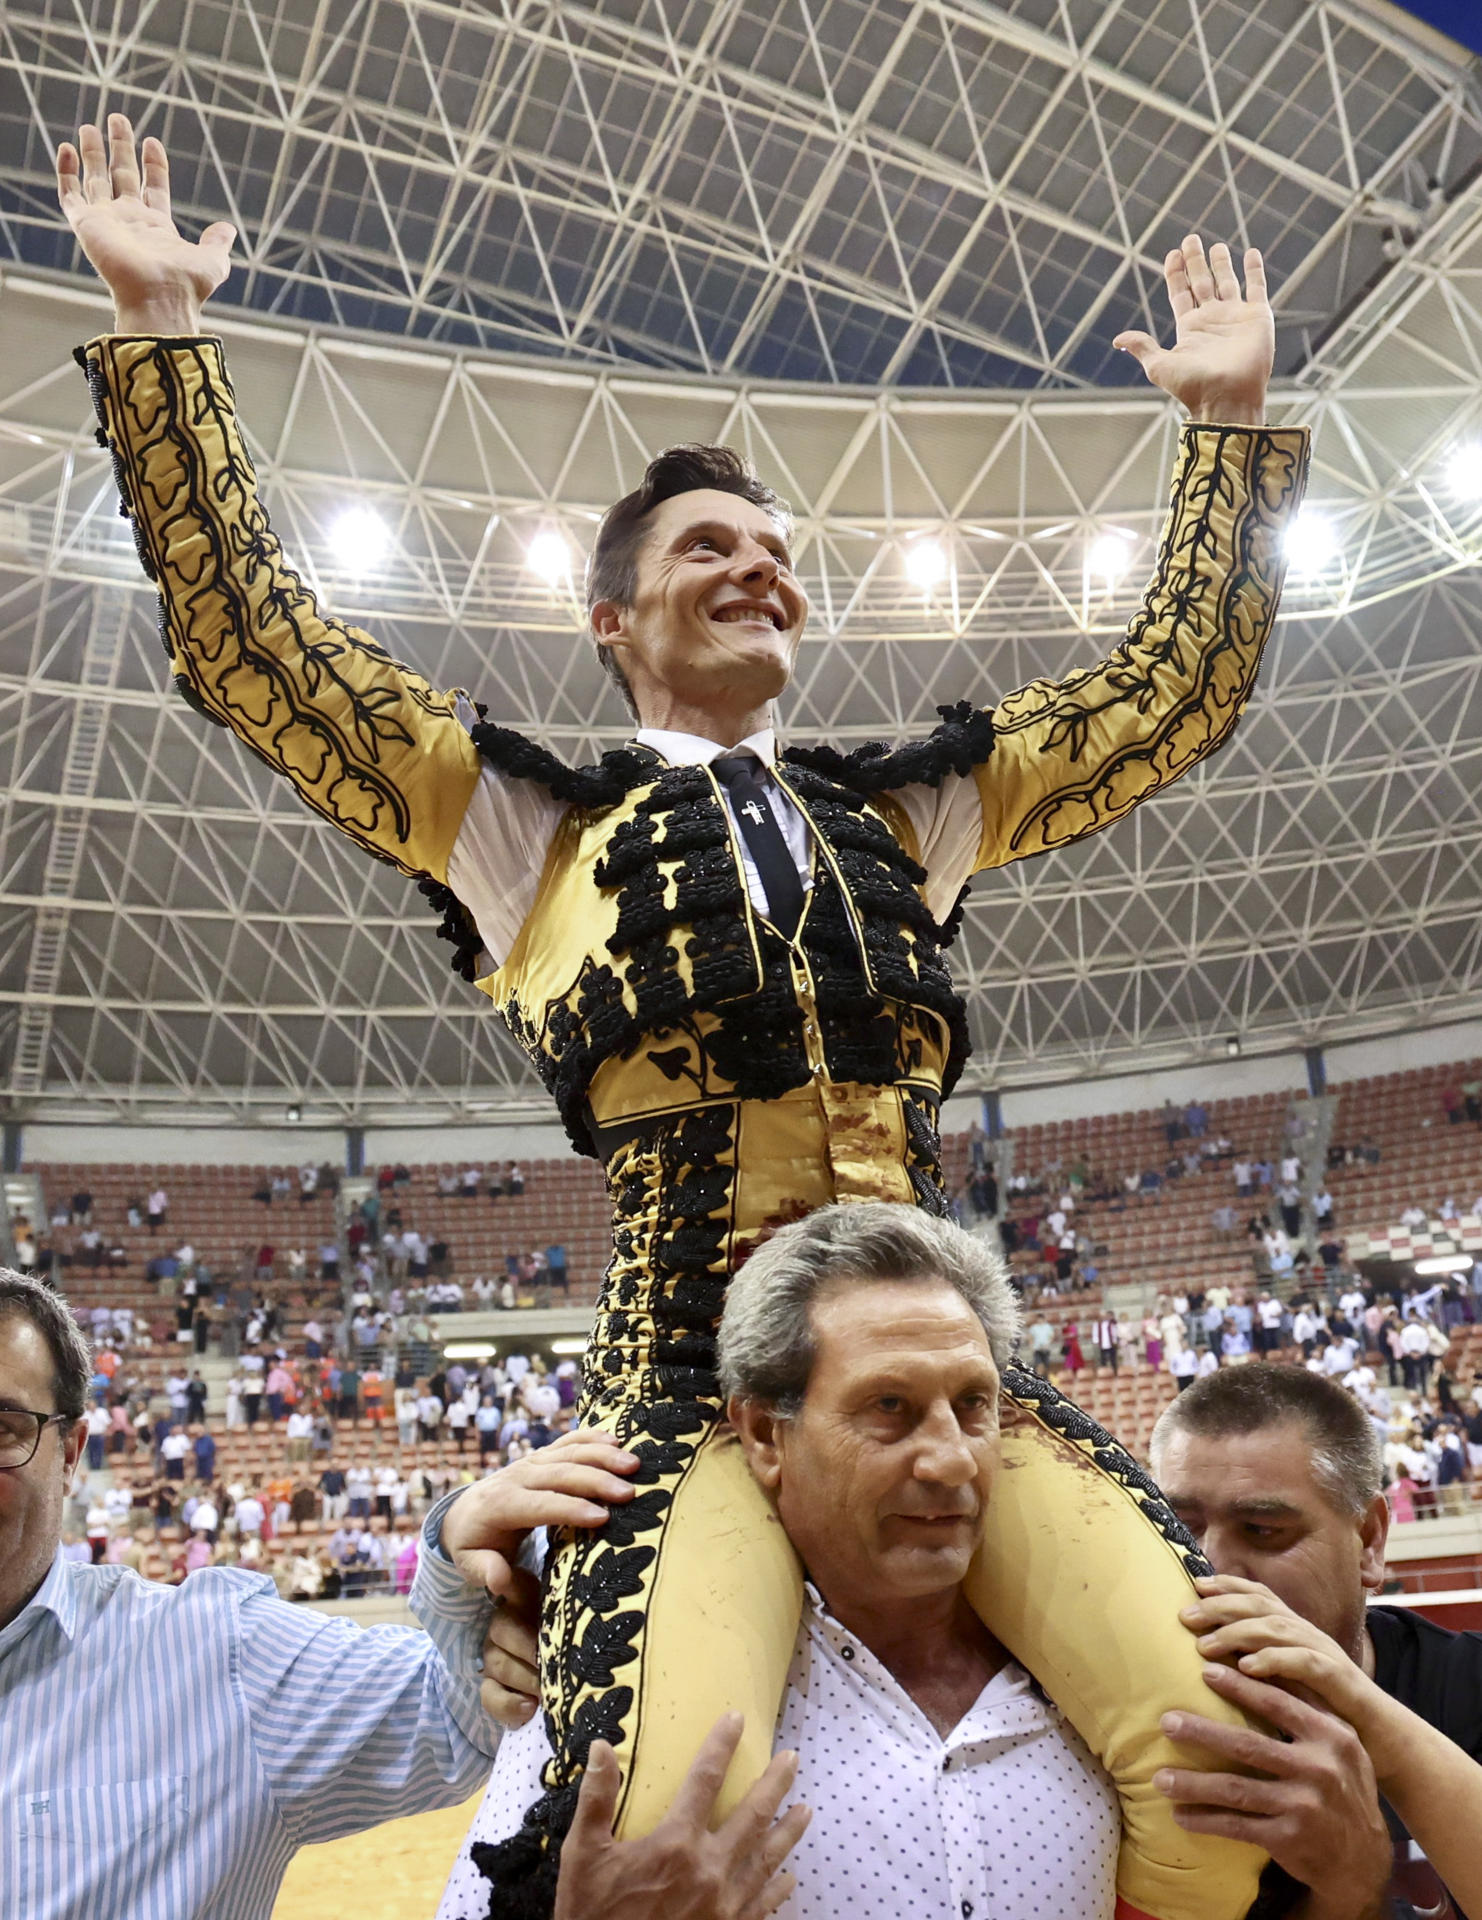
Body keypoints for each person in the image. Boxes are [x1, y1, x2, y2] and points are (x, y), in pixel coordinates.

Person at [59, 113, 1308, 1920]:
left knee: (1215, 1774)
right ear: (612, 614)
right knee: (658, 1829)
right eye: (713, 543)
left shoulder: (907, 812)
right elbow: (261, 649)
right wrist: (166, 338)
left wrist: (1222, 432)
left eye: (780, 550)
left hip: (952, 1372)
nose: (762, 568)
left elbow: (1166, 695)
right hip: (682, 1396)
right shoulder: (524, 827)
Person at [0, 1269, 806, 1919]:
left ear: (72, 1452)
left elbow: (457, 1716)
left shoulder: (208, 1655)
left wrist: (469, 1554)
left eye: (4, 1428)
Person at [445, 1205, 1154, 1919]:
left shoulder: (1112, 1685)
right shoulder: (629, 1684)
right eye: (888, 1406)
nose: (951, 1459)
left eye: (973, 1405)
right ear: (762, 1433)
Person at [1149, 1364, 1482, 1917]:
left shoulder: (1469, 1685)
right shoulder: (1125, 1727)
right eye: (1180, 1529)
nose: (1212, 1567)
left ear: (1369, 1541)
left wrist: (1365, 1715)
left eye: (1263, 1531)